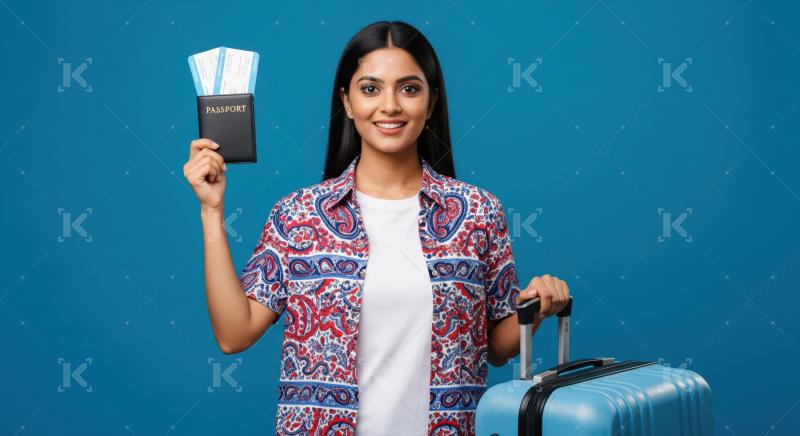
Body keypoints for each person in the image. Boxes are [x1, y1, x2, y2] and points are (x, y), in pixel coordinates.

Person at [183, 20, 570, 436]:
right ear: (347, 102)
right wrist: (211, 211)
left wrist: (535, 307)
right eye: (370, 89)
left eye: (409, 88)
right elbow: (233, 334)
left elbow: (492, 349)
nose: (390, 106)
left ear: (432, 100)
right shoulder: (299, 216)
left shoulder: (477, 212)